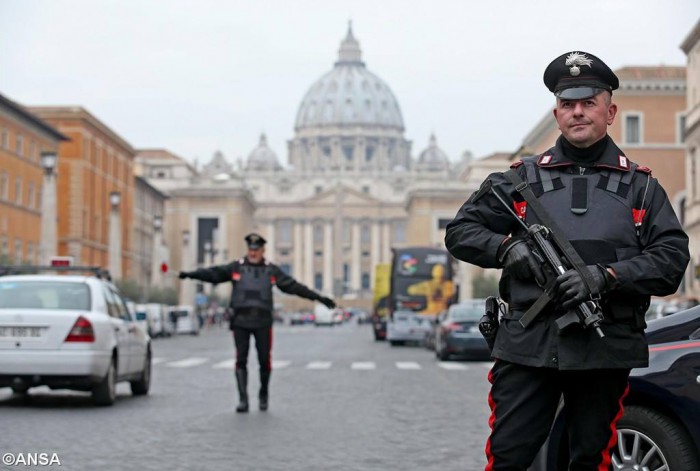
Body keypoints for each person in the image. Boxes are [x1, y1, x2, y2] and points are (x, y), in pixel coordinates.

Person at [444, 51, 689, 471]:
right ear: (557, 113)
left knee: (589, 460)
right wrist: (506, 248)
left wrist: (606, 276)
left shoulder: (642, 189)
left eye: (588, 103)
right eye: (567, 104)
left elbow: (670, 260)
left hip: (603, 345)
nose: (578, 112)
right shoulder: (518, 182)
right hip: (528, 344)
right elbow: (460, 232)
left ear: (610, 112)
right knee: (509, 457)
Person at [179, 232, 336, 413]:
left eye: (257, 250)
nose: (253, 253)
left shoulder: (271, 270)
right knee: (241, 360)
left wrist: (319, 298)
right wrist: (190, 275)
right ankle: (243, 399)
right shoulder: (236, 268)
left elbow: (293, 286)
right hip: (241, 321)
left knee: (264, 360)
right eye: (250, 249)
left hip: (262, 321)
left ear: (263, 250)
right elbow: (213, 273)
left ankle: (263, 394)